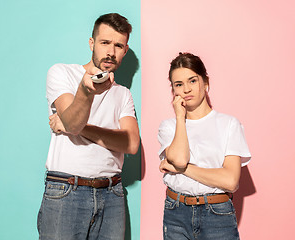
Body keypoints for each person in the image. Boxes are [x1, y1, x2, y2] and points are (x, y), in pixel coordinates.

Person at [37, 13, 140, 240]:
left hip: (111, 193)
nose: (111, 52)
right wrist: (85, 92)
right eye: (105, 43)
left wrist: (75, 127)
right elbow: (73, 121)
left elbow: (131, 144)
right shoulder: (62, 73)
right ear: (92, 43)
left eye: (118, 45)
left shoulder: (123, 94)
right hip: (66, 189)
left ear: (125, 50)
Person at [158, 52, 251, 240]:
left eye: (192, 81)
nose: (186, 89)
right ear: (173, 91)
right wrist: (179, 117)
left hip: (217, 213)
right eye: (178, 84)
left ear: (205, 82)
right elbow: (180, 158)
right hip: (176, 211)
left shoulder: (229, 124)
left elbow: (230, 181)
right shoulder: (169, 127)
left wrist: (181, 170)